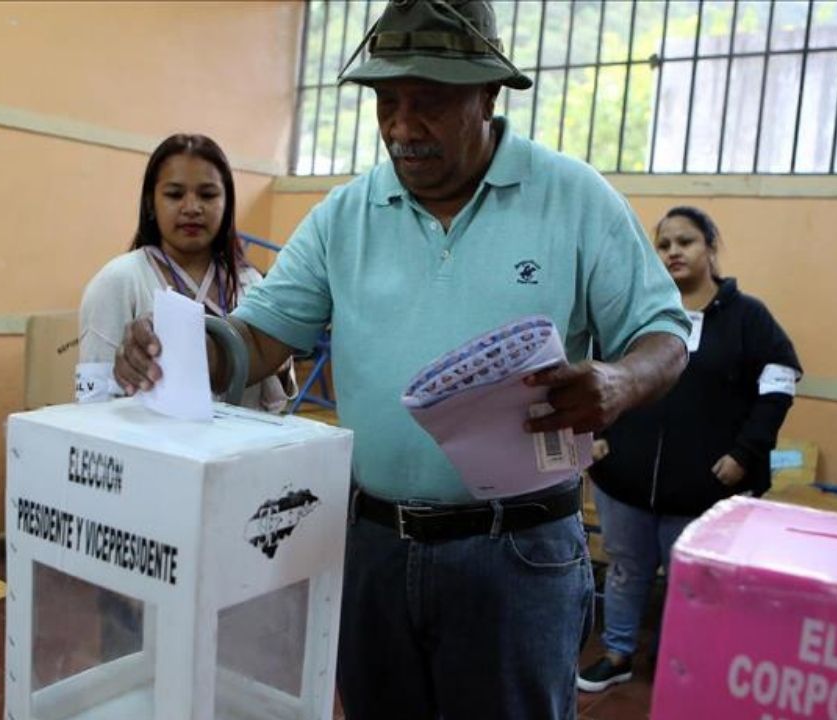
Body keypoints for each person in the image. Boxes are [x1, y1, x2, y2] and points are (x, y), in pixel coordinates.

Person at [115, 2, 689, 717]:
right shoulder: (346, 215)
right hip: (376, 546)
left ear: (488, 94)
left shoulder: (574, 199)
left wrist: (619, 379)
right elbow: (260, 337)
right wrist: (185, 347)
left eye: (431, 103)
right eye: (388, 104)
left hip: (518, 553)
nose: (402, 128)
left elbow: (664, 333)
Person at [578, 206, 802, 693]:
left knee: (695, 583)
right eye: (664, 244)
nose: (674, 251)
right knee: (625, 570)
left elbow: (781, 383)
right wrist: (591, 436)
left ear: (711, 249)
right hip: (626, 478)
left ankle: (678, 663)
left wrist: (746, 453)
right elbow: (596, 374)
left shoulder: (748, 317)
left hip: (706, 484)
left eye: (687, 241)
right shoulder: (638, 312)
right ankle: (616, 654)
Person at [78, 133, 294, 411]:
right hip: (152, 452)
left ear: (227, 204)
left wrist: (275, 358)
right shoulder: (118, 282)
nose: (192, 208)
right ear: (150, 204)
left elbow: (274, 404)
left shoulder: (250, 283)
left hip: (237, 450)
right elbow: (93, 404)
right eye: (174, 194)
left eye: (207, 194)